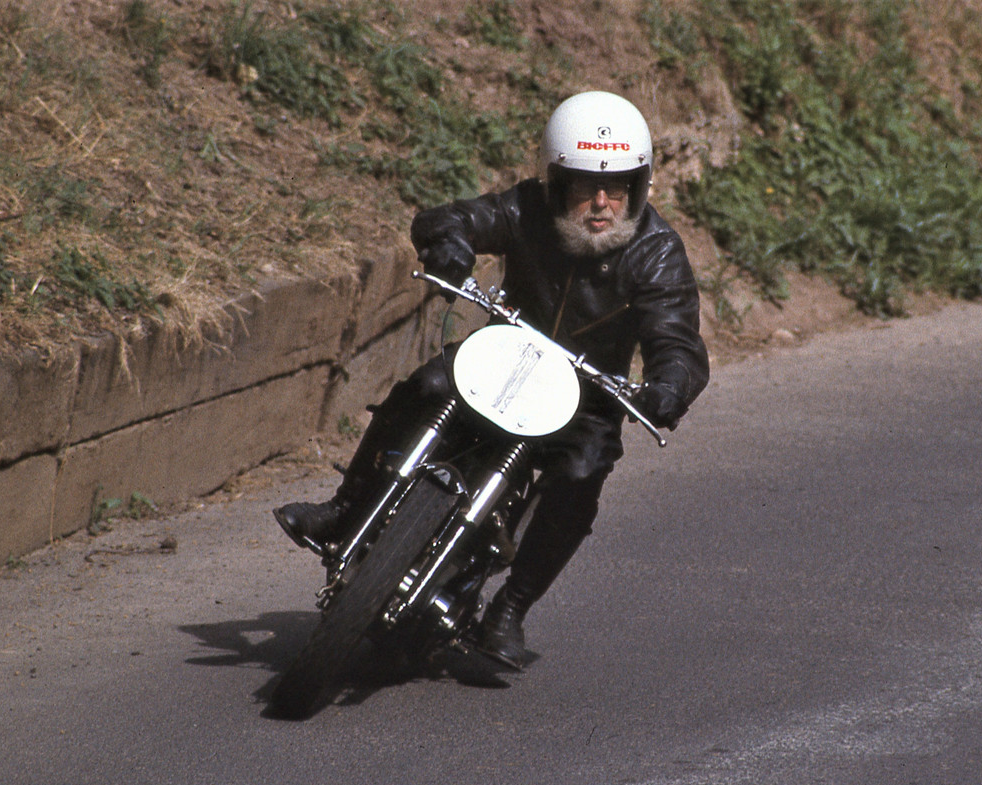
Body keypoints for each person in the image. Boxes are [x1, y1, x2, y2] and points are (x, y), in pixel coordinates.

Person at [274, 90, 709, 668]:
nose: (601, 203)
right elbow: (451, 218)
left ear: (639, 186)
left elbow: (676, 338)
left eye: (618, 187)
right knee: (426, 387)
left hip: (584, 397)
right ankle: (346, 509)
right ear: (557, 183)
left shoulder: (657, 253)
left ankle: (510, 609)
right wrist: (451, 244)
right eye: (584, 186)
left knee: (582, 473)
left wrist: (668, 386)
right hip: (503, 357)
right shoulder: (527, 209)